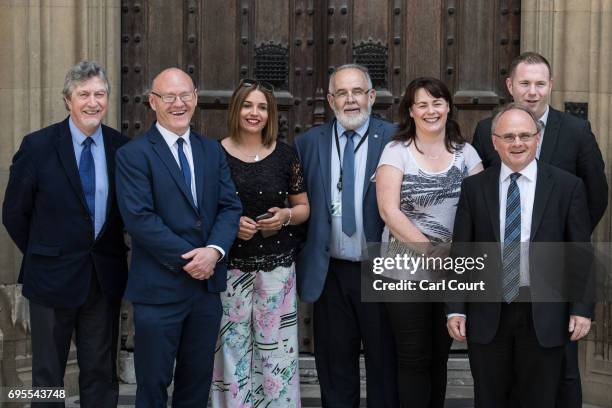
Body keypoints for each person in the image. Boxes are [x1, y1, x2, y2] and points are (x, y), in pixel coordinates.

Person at [471, 51, 607, 408]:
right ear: (510, 85)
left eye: (540, 84)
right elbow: (483, 197)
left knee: (559, 375)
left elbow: (595, 195)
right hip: (499, 284)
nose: (532, 91)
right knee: (500, 379)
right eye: (525, 83)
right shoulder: (486, 131)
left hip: (553, 281)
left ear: (551, 86)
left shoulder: (575, 130)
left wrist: (558, 242)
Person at [447, 103, 593, 407]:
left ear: (537, 138)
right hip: (488, 314)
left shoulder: (567, 187)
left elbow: (580, 252)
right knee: (489, 398)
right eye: (509, 136)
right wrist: (455, 308)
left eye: (525, 135)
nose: (518, 143)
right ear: (495, 141)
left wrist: (582, 308)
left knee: (539, 399)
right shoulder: (474, 188)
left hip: (545, 315)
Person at [2, 60, 128, 407]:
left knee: (100, 374)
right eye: (84, 94)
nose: (93, 102)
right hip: (50, 279)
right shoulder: (38, 146)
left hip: (103, 280)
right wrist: (45, 252)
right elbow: (14, 213)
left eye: (100, 94)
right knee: (47, 375)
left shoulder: (123, 148)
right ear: (67, 100)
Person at [115, 68, 242, 407]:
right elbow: (140, 220)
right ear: (152, 102)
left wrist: (213, 252)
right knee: (153, 386)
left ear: (196, 98)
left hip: (204, 292)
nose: (178, 103)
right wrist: (193, 259)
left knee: (196, 385)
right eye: (168, 96)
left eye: (185, 95)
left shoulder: (211, 151)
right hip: (158, 291)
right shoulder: (133, 155)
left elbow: (231, 207)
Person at [295, 63, 398, 407]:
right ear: (330, 99)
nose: (350, 100)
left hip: (381, 270)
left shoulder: (396, 139)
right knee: (335, 368)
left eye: (357, 92)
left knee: (386, 367)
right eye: (341, 92)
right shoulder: (308, 143)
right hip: (331, 273)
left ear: (371, 96)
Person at [375, 77, 483, 408]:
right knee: (412, 357)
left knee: (440, 356)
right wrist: (430, 252)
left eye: (437, 103)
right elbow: (388, 211)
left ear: (448, 106)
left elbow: (482, 208)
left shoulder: (466, 153)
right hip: (405, 270)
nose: (430, 110)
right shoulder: (397, 151)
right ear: (411, 110)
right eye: (422, 104)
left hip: (453, 269)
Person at [211, 80, 310, 407]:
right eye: (248, 105)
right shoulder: (214, 154)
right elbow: (202, 209)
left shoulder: (285, 155)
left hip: (277, 272)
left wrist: (284, 216)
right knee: (232, 353)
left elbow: (303, 208)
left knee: (277, 354)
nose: (255, 113)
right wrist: (228, 226)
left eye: (262, 107)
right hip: (230, 273)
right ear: (236, 109)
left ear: (271, 113)